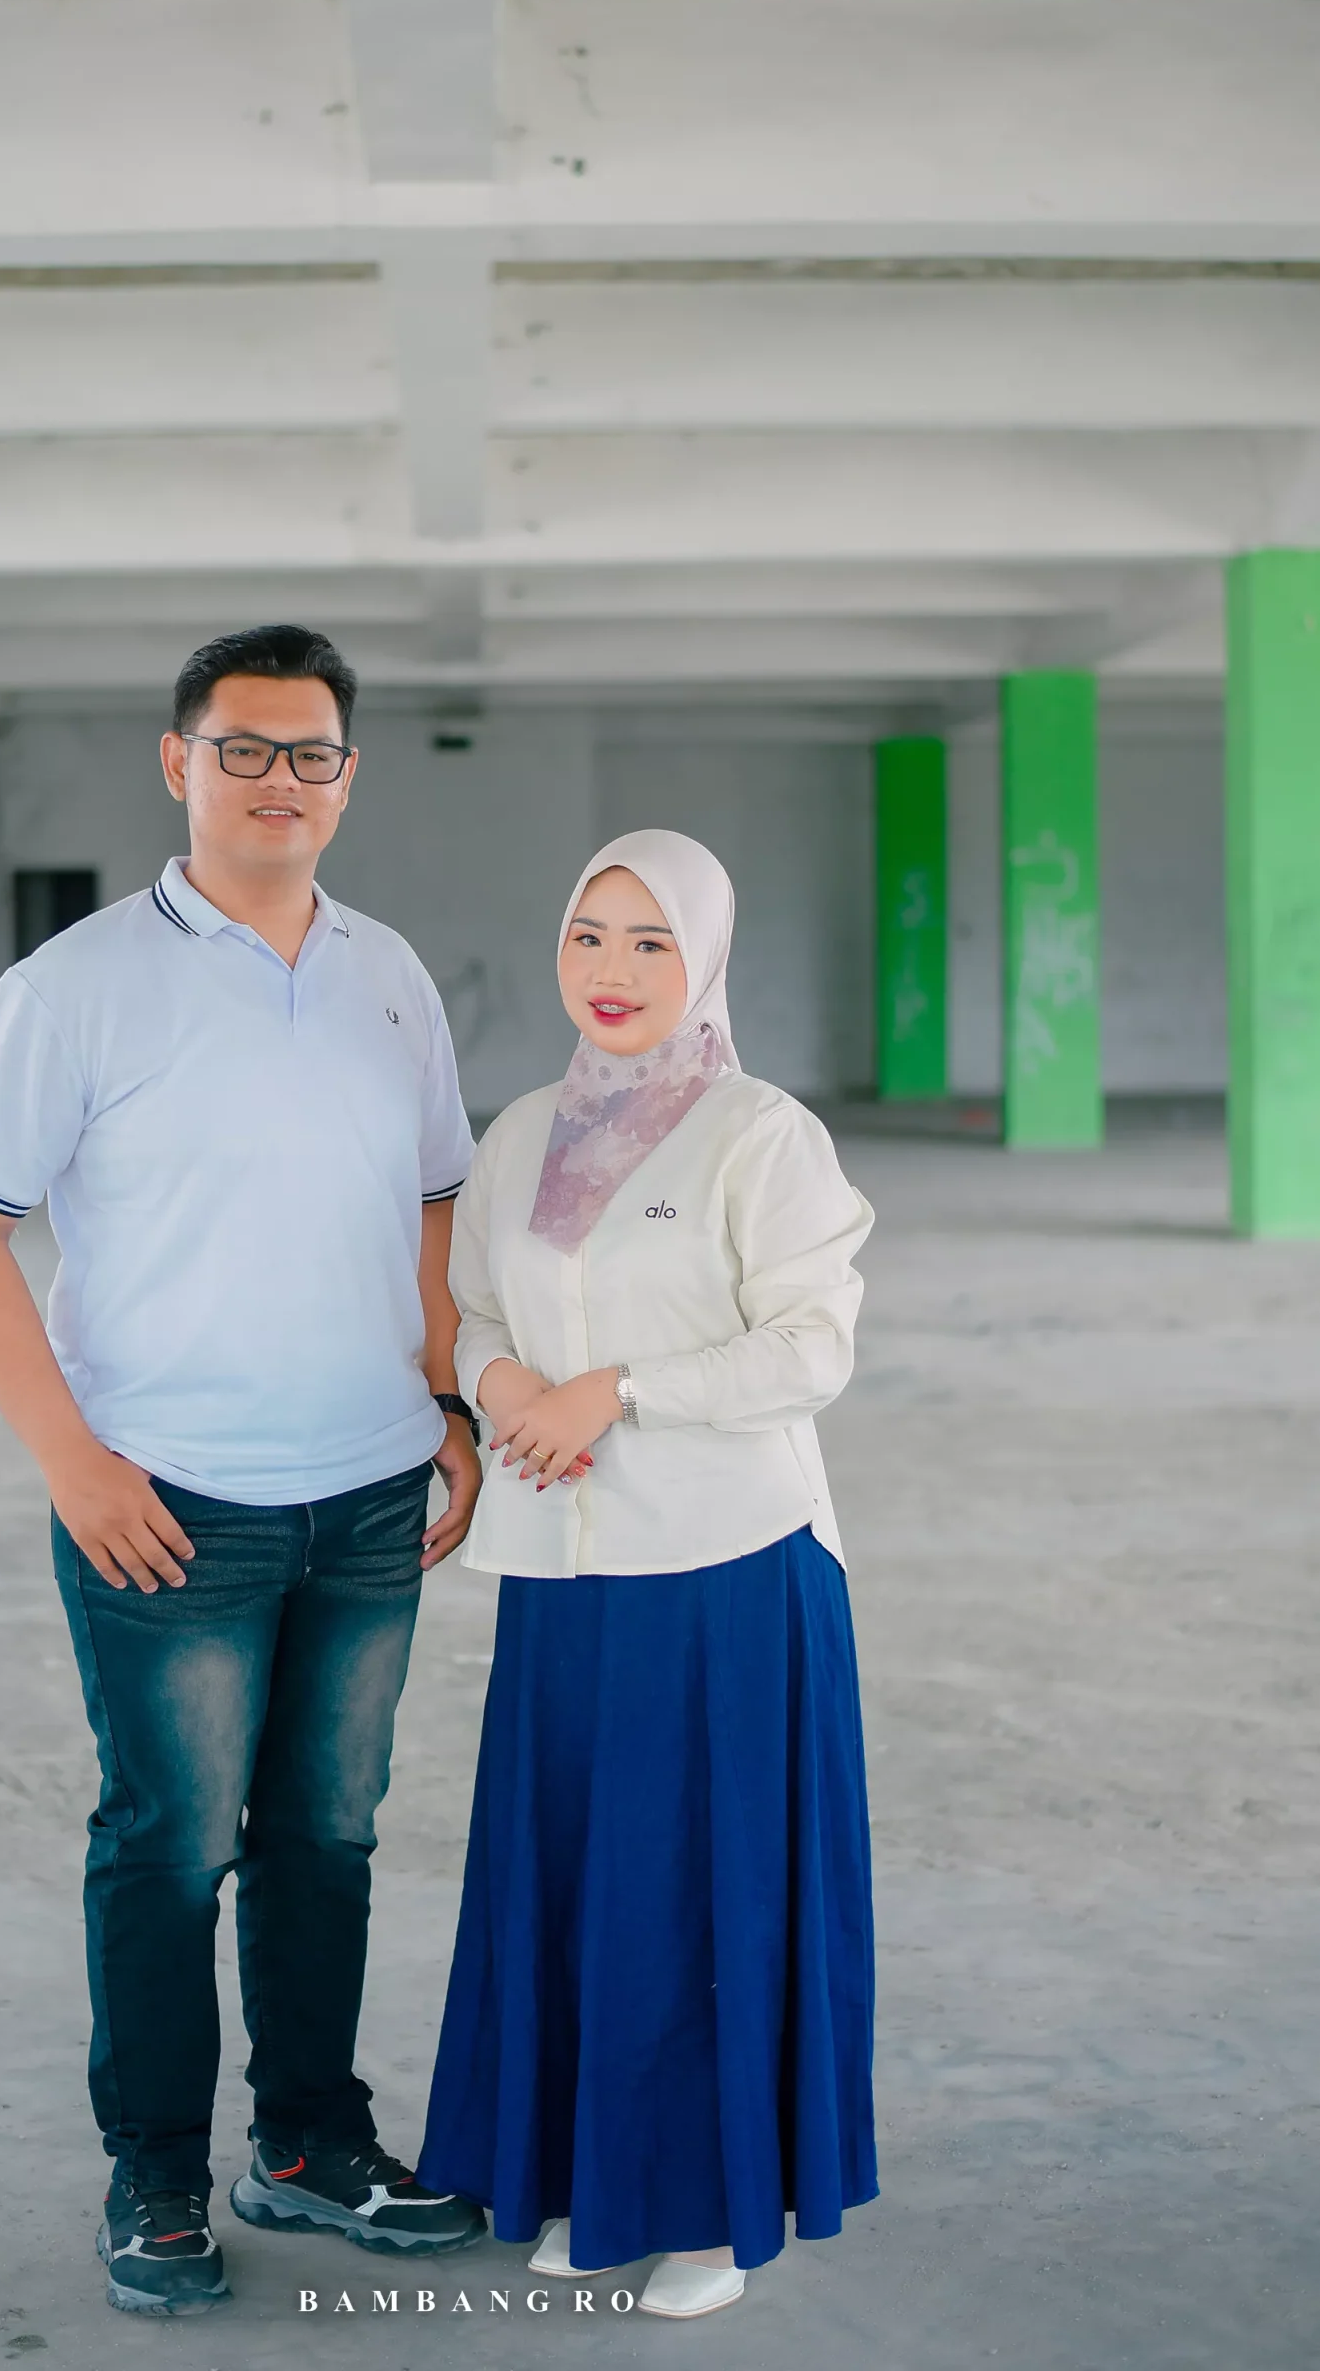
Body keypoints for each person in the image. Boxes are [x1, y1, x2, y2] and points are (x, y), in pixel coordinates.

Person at [0, 625, 488, 2317]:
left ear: (347, 779)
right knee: (171, 1848)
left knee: (327, 1836)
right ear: (180, 764)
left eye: (311, 753)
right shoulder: (77, 987)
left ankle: (307, 2143)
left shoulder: (390, 973)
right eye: (243, 748)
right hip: (169, 1505)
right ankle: (156, 2173)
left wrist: (447, 1400)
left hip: (370, 1495)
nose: (278, 781)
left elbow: (437, 1202)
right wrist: (73, 1464)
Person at [418, 829, 878, 2319]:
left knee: (700, 1890)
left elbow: (811, 1347)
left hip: (725, 1572)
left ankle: (708, 2216)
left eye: (650, 942)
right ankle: (588, 2182)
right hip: (563, 1573)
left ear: (707, 961)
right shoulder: (521, 1135)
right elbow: (474, 1307)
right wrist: (505, 1389)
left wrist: (612, 1393)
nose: (611, 970)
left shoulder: (759, 1135)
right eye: (589, 936)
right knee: (577, 1877)